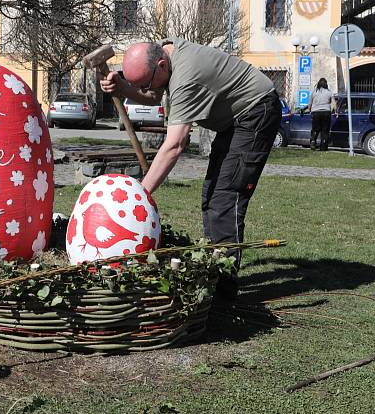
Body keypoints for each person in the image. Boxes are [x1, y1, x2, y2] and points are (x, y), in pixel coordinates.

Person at [100, 39, 281, 299]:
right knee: (212, 195)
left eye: (145, 82)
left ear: (161, 64)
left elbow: (175, 145)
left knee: (225, 200)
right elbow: (152, 95)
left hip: (256, 113)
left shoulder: (186, 78)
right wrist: (124, 88)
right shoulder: (167, 55)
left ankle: (223, 294)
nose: (144, 89)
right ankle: (216, 273)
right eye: (139, 84)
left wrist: (138, 196)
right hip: (235, 121)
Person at [306, 78, 337, 151]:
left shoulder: (314, 92)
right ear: (326, 84)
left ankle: (313, 140)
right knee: (325, 130)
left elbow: (310, 104)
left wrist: (310, 110)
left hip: (315, 112)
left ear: (318, 84)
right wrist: (335, 111)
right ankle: (323, 147)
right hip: (326, 112)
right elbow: (334, 104)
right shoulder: (329, 92)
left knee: (315, 129)